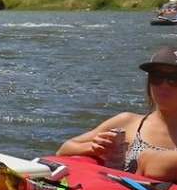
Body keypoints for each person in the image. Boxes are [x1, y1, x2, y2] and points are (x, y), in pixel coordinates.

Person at [58, 46, 177, 181]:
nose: (164, 85)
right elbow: (64, 149)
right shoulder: (127, 122)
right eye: (157, 77)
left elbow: (151, 164)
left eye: (174, 78)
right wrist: (93, 148)